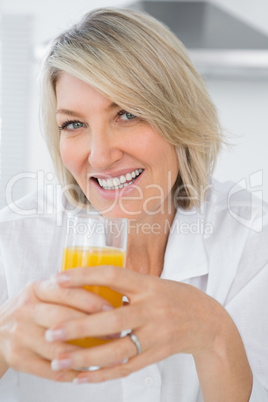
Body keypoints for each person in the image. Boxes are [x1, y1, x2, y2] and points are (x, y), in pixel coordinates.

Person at [0, 7, 267, 402]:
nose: (100, 156)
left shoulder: (250, 237)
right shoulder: (16, 238)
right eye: (73, 124)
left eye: (126, 114)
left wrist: (213, 332)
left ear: (180, 117)